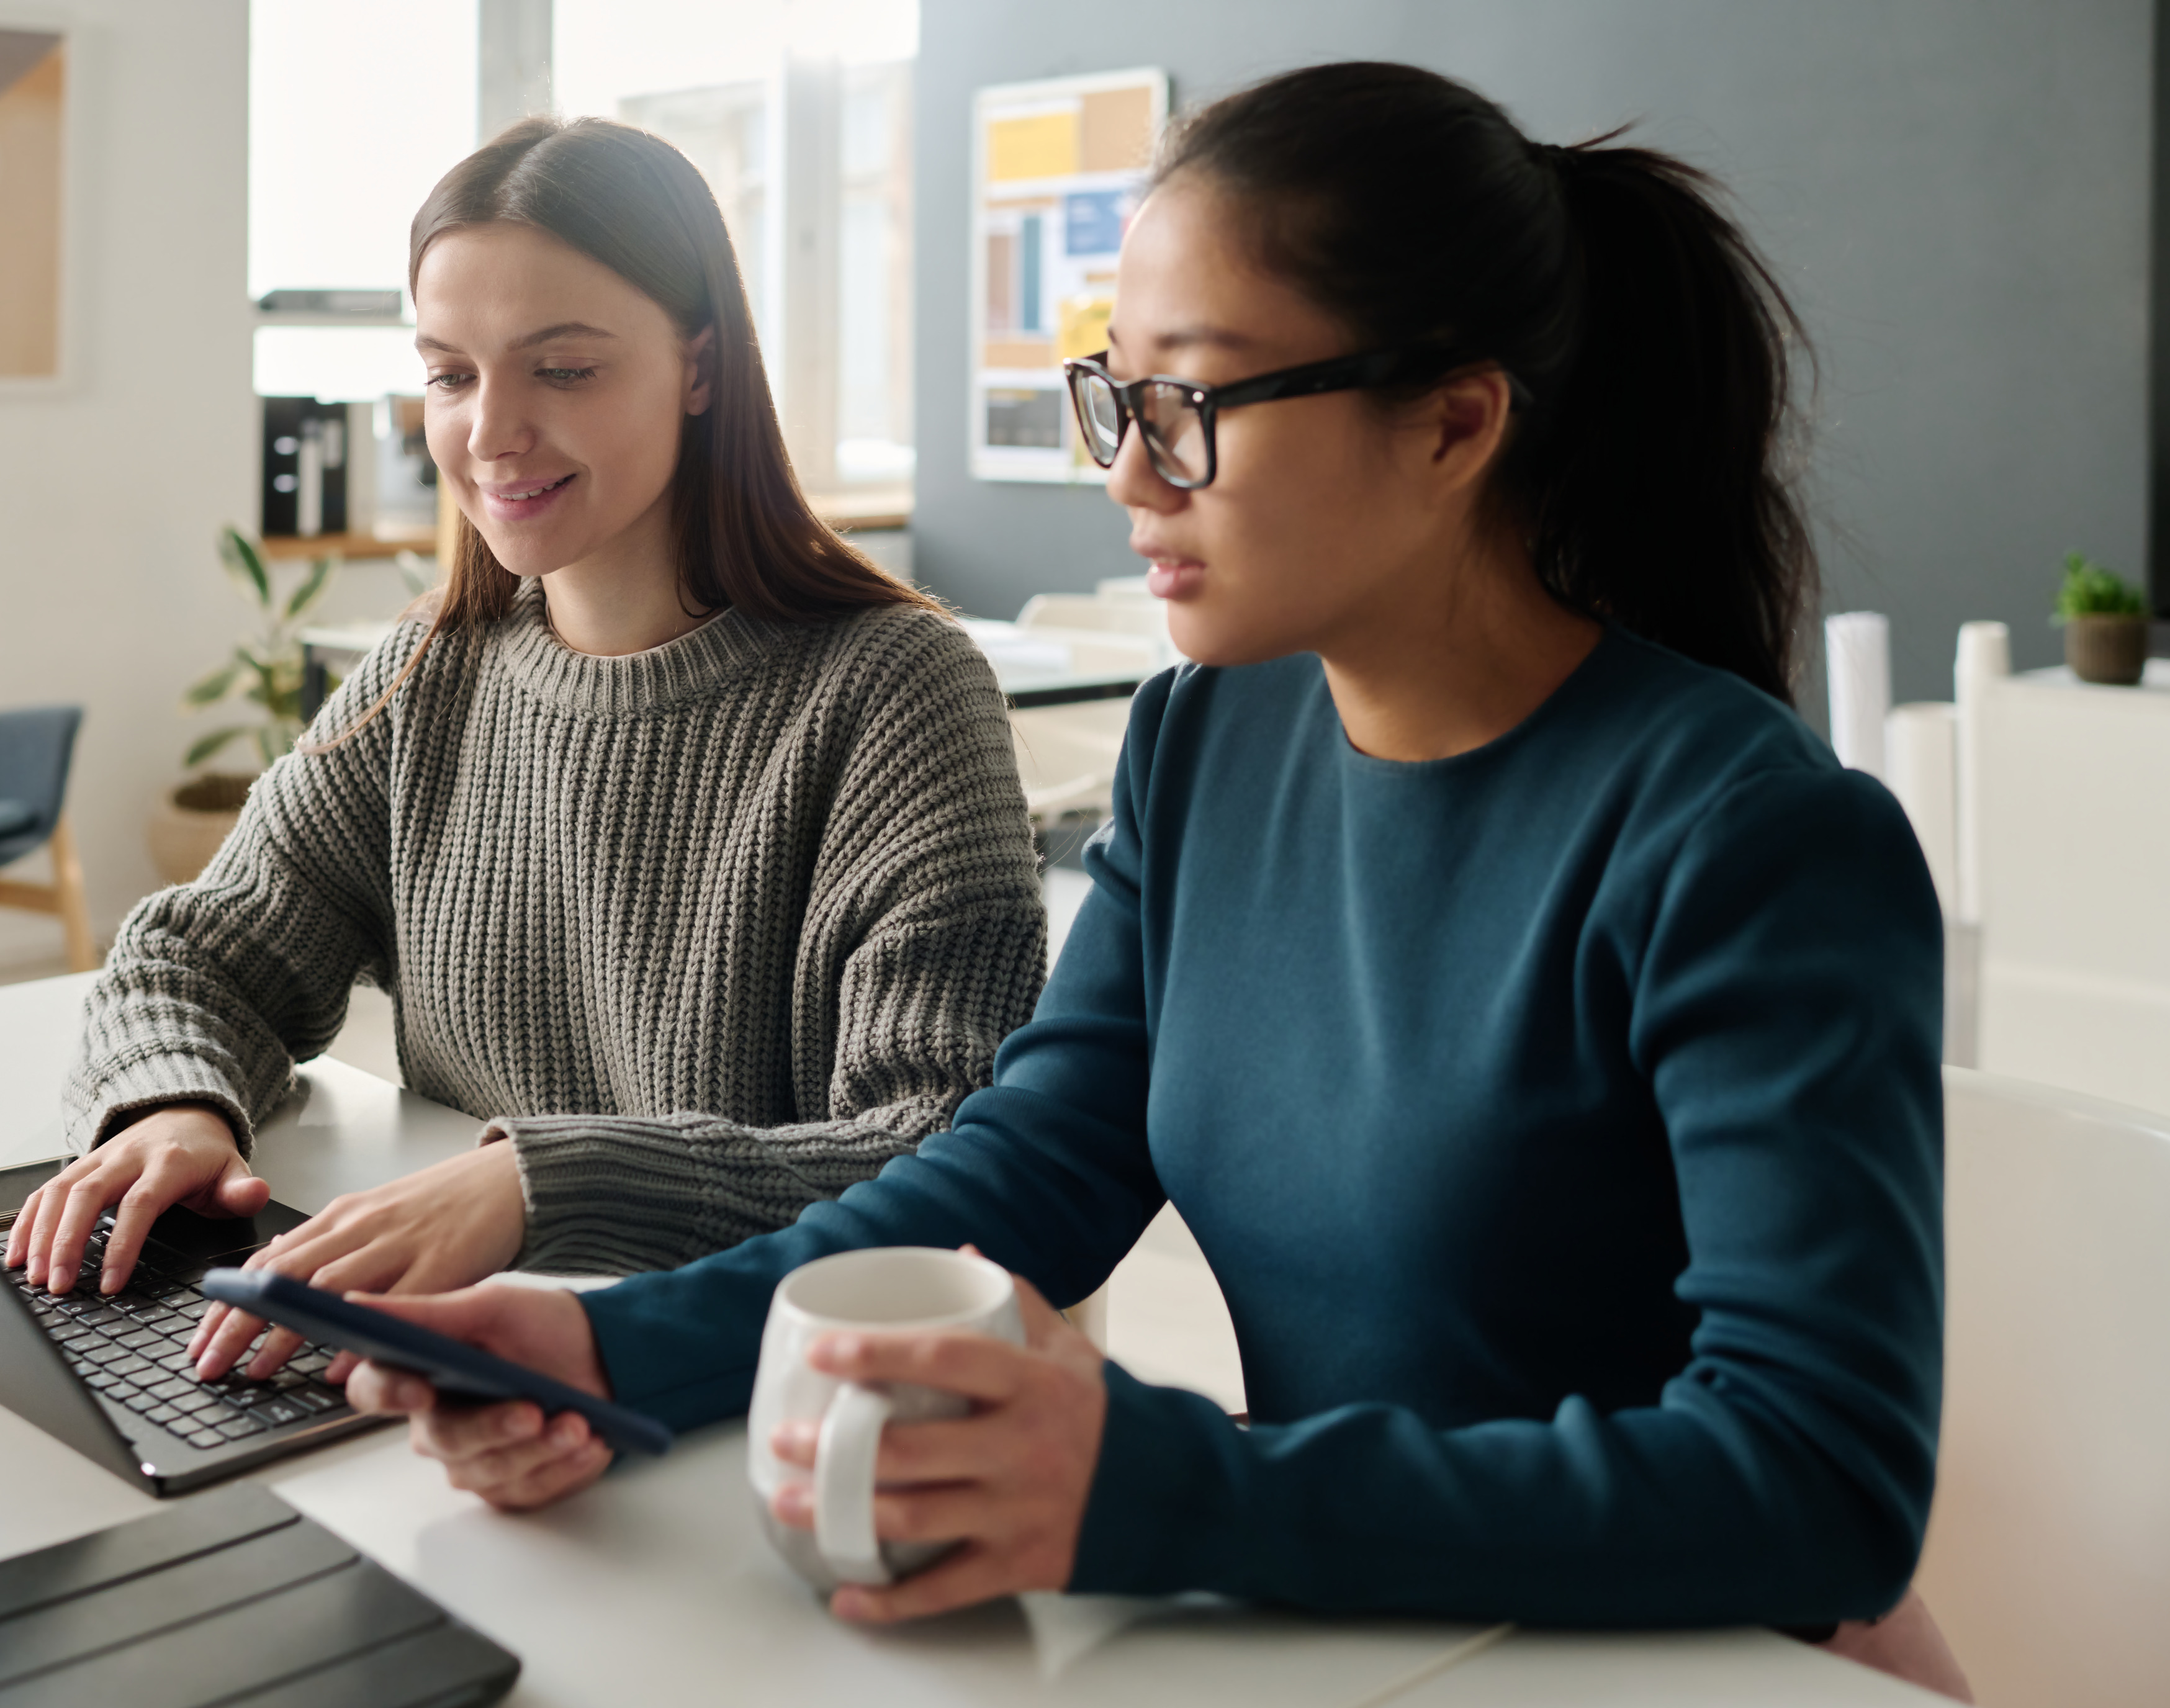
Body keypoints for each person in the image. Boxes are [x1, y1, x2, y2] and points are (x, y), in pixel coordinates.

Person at [322, 63, 1972, 1693]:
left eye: (1193, 406)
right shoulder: (1208, 738)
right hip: (1354, 1628)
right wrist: (614, 1344)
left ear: (1457, 422)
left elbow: (1819, 1482)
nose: (1127, 475)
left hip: (1697, 1663)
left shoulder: (1754, 841)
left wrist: (1162, 1483)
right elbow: (1028, 1169)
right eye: (1119, 396)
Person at [5, 117, 1049, 1387]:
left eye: (563, 369)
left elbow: (945, 1153)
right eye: (450, 374)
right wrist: (175, 1103)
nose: (491, 433)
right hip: (444, 1362)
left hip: (740, 1382)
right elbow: (192, 956)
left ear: (701, 365)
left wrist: (535, 1183)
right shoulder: (428, 675)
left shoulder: (895, 691)